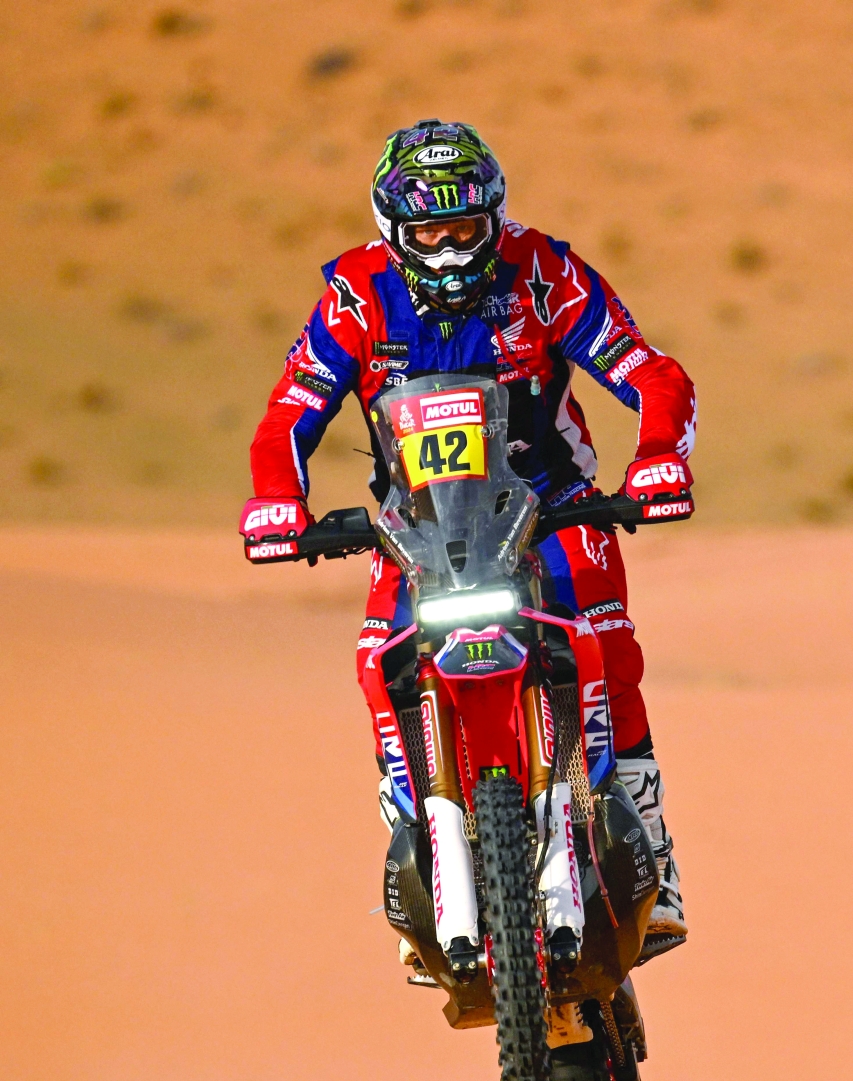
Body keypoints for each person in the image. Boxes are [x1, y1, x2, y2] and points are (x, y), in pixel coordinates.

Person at [243, 119, 696, 939]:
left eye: (465, 228)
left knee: (607, 646)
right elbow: (289, 413)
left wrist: (659, 456)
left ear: (494, 219)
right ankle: (419, 843)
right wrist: (276, 499)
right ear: (393, 228)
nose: (449, 248)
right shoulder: (355, 292)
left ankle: (654, 862)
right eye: (429, 231)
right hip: (415, 526)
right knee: (376, 661)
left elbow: (650, 370)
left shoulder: (543, 271)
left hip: (551, 507)